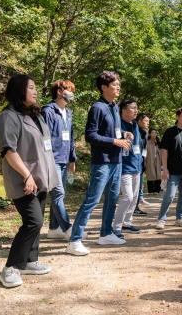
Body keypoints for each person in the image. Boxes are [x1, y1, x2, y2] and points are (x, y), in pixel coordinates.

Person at [0, 74, 59, 288]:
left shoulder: (35, 115)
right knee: (33, 221)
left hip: (42, 178)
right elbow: (8, 151)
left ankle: (31, 260)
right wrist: (27, 175)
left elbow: (45, 147)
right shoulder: (8, 117)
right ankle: (10, 268)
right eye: (31, 87)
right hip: (25, 179)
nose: (35, 91)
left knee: (37, 220)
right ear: (19, 90)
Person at [66, 71, 132, 256]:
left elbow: (113, 132)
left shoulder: (115, 107)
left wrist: (123, 136)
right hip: (102, 162)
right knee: (92, 200)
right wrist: (114, 141)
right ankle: (75, 240)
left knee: (112, 199)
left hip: (116, 161)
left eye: (119, 84)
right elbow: (90, 135)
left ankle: (106, 233)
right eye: (114, 84)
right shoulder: (97, 107)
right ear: (104, 87)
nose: (118, 87)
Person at [41, 80, 77, 241]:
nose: (71, 93)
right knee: (58, 193)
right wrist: (46, 159)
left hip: (64, 159)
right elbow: (43, 137)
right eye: (69, 90)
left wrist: (72, 159)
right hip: (51, 159)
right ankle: (68, 228)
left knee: (59, 195)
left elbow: (70, 138)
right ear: (59, 91)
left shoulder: (68, 113)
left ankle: (54, 229)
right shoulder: (47, 111)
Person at [155, 107, 182, 229]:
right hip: (173, 170)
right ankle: (161, 219)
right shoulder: (170, 132)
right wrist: (164, 168)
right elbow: (164, 150)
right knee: (170, 195)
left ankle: (180, 218)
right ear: (177, 117)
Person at [112, 100, 143, 237]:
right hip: (124, 167)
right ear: (123, 110)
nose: (136, 111)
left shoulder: (135, 124)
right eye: (133, 108)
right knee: (128, 197)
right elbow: (115, 134)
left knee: (135, 197)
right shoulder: (118, 123)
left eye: (137, 108)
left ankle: (127, 222)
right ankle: (116, 226)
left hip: (137, 165)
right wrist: (125, 133)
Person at [134, 113, 150, 215]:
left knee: (139, 186)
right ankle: (133, 208)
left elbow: (144, 148)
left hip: (140, 162)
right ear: (139, 121)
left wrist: (144, 160)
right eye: (146, 121)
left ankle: (136, 207)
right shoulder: (134, 131)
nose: (148, 123)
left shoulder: (145, 133)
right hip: (133, 162)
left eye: (149, 121)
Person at [145, 129, 162, 194]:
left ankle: (157, 190)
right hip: (149, 160)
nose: (154, 134)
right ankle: (151, 190)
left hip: (157, 160)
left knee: (158, 175)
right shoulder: (147, 142)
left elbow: (161, 152)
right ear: (149, 134)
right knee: (150, 175)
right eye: (152, 132)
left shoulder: (158, 142)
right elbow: (144, 152)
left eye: (155, 133)